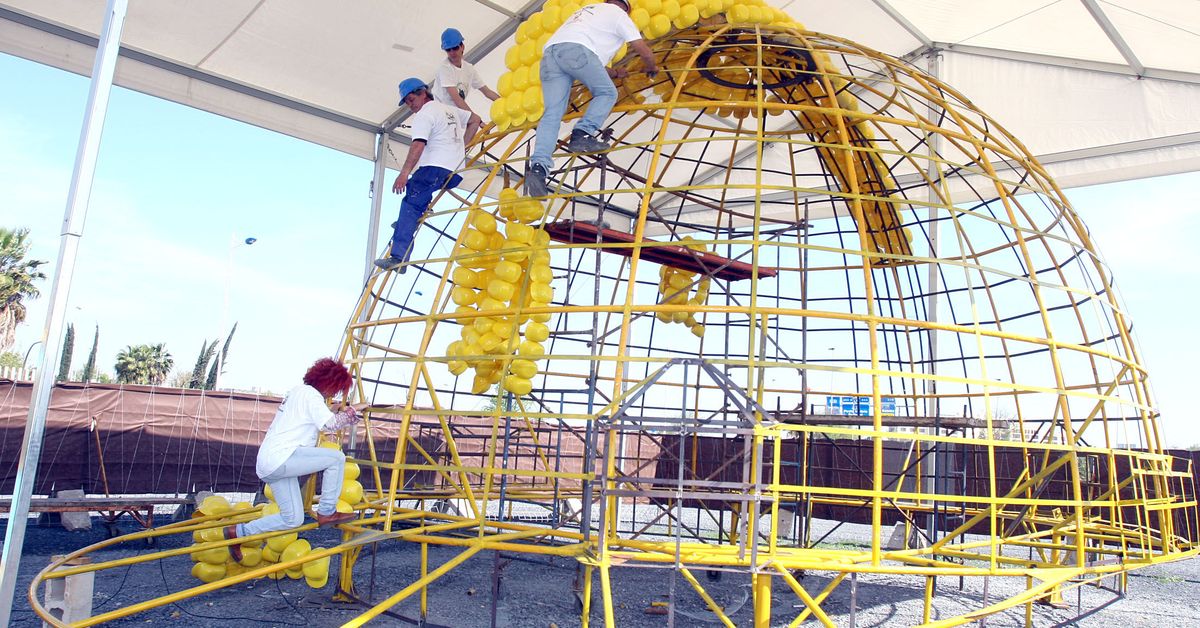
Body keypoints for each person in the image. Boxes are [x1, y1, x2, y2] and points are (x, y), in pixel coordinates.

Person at [221, 358, 364, 558]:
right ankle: (327, 511)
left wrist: (334, 410)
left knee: (293, 519)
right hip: (284, 457)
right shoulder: (311, 395)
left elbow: (312, 417)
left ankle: (238, 532)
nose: (333, 394)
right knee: (336, 459)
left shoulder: (298, 392)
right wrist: (353, 412)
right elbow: (329, 425)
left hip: (271, 462)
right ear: (328, 383)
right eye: (335, 389)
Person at [524, 0, 659, 197]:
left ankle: (538, 168)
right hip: (577, 52)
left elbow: (582, 58)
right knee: (607, 93)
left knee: (552, 113)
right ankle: (581, 134)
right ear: (626, 8)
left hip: (551, 55)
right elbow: (641, 47)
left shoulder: (586, 12)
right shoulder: (618, 14)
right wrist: (651, 65)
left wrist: (613, 72)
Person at [375, 78, 483, 271]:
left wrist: (404, 174)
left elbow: (418, 145)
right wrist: (461, 149)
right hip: (455, 173)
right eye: (407, 102)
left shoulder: (424, 116)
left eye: (411, 99)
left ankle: (398, 257)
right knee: (417, 200)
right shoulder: (449, 110)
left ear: (423, 92)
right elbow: (475, 119)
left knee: (410, 201)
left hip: (434, 168)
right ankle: (407, 221)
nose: (410, 105)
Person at [431, 27, 500, 115]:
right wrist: (474, 118)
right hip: (441, 114)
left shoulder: (469, 69)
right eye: (448, 50)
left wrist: (504, 103)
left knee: (473, 122)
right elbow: (457, 99)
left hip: (455, 114)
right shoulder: (444, 68)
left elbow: (487, 92)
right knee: (474, 122)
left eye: (455, 48)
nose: (452, 52)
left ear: (462, 47)